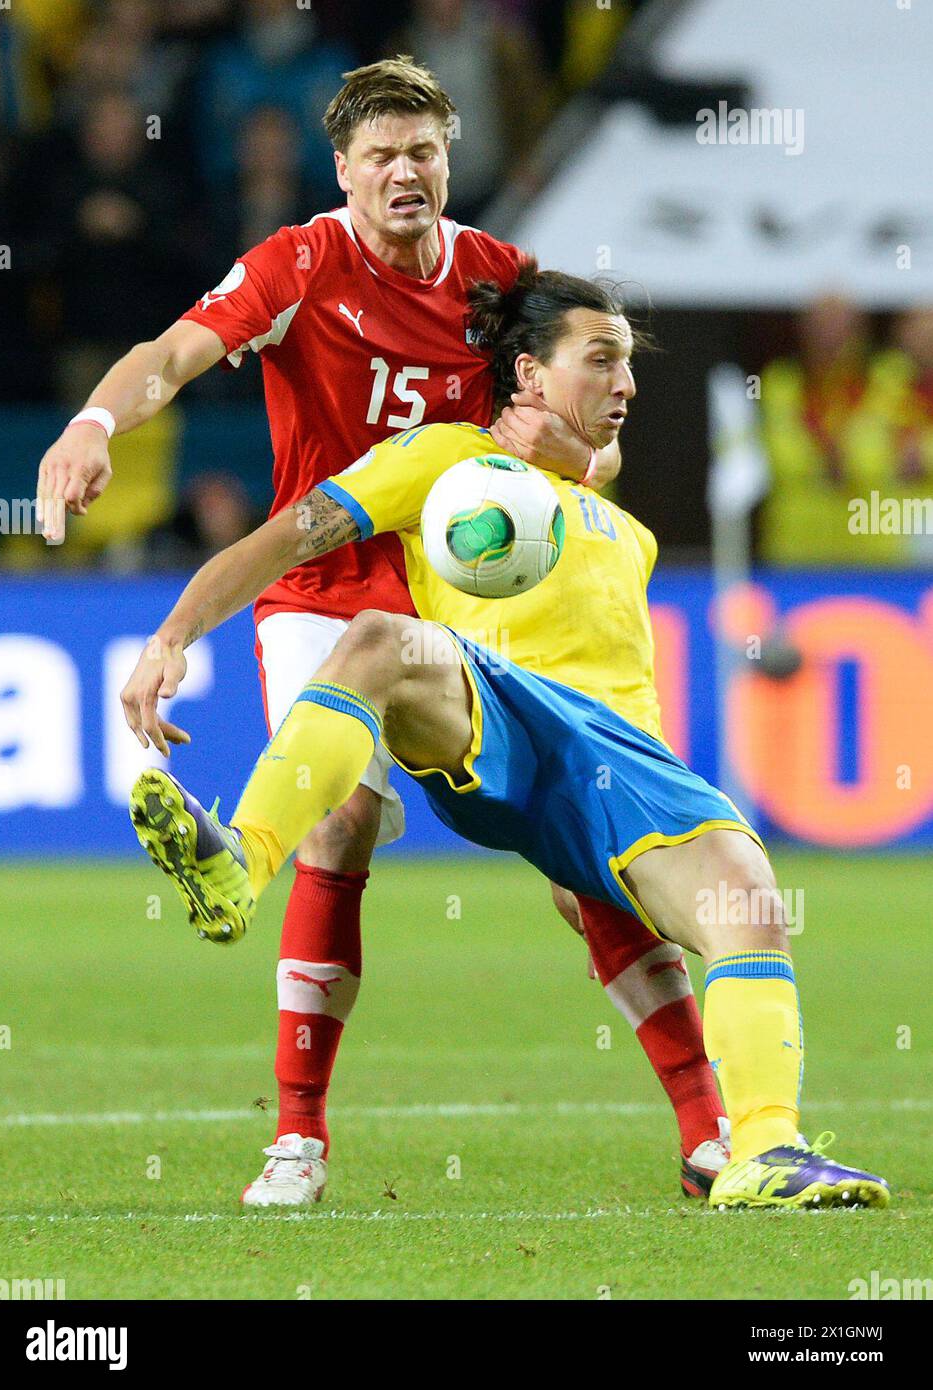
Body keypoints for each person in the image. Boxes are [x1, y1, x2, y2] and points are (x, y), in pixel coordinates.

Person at [36, 56, 726, 1206]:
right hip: (321, 582)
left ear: (448, 159)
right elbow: (173, 354)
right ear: (343, 171)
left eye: (423, 152)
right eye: (381, 157)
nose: (405, 172)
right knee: (343, 817)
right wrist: (97, 419)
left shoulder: (503, 280)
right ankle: (296, 1140)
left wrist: (584, 456)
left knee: (581, 863)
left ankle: (710, 1133)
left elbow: (582, 420)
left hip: (465, 598)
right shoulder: (300, 264)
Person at [122, 264, 889, 1212]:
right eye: (599, 360)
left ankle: (760, 1152)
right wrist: (170, 640)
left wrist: (597, 875)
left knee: (748, 901)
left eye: (628, 365)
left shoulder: (617, 520)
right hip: (489, 711)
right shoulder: (443, 459)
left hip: (614, 761)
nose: (626, 384)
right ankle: (244, 857)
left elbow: (593, 504)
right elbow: (284, 541)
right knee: (377, 640)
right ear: (527, 375)